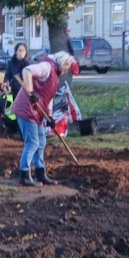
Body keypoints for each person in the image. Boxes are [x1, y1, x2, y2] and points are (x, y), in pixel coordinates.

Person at [13, 51, 77, 187]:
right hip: (26, 110)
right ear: (62, 63)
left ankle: (40, 173)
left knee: (41, 141)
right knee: (33, 143)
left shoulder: (54, 74)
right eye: (66, 67)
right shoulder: (47, 67)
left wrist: (50, 116)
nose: (66, 71)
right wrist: (30, 92)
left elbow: (49, 97)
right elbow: (27, 70)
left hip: (37, 113)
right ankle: (24, 176)